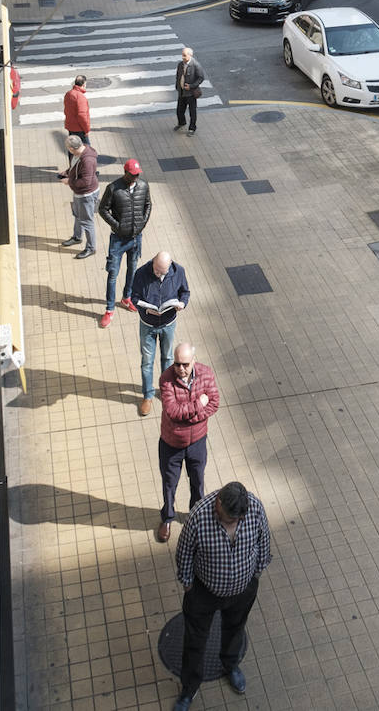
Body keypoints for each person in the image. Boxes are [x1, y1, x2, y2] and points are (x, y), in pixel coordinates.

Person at [173, 482, 272, 708]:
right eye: (228, 519)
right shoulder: (199, 515)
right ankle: (189, 688)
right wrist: (188, 585)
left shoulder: (254, 508)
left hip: (242, 590)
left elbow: (264, 540)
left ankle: (230, 665)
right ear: (218, 502)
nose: (232, 523)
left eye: (236, 520)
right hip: (203, 593)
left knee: (235, 629)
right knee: (195, 640)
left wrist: (256, 573)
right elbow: (185, 552)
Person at [155, 343, 218, 543]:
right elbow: (173, 412)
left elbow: (215, 402)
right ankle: (167, 518)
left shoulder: (206, 374)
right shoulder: (166, 379)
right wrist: (199, 404)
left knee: (198, 482)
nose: (180, 369)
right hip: (171, 443)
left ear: (193, 361)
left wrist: (190, 416)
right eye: (177, 364)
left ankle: (196, 517)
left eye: (185, 364)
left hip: (197, 442)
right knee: (169, 484)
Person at [131, 251, 190, 416]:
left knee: (168, 358)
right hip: (148, 324)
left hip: (168, 324)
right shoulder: (142, 273)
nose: (158, 274)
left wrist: (182, 304)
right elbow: (134, 296)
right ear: (153, 263)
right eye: (156, 270)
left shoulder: (179, 272)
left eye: (161, 272)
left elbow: (185, 293)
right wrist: (146, 307)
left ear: (169, 267)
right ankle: (148, 396)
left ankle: (166, 392)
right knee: (147, 362)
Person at [96, 159, 151, 329]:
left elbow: (148, 205)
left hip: (136, 238)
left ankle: (127, 298)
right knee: (113, 274)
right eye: (133, 174)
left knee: (132, 270)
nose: (136, 177)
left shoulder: (143, 185)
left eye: (137, 174)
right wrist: (117, 225)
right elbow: (102, 209)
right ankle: (109, 309)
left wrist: (142, 223)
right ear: (125, 172)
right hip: (118, 240)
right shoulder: (113, 188)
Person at [58, 135, 99, 259]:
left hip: (86, 194)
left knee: (87, 221)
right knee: (77, 215)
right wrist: (67, 172)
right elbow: (75, 168)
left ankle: (91, 248)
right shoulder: (79, 153)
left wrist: (69, 181)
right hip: (79, 193)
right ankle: (77, 237)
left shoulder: (87, 160)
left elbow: (85, 182)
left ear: (71, 148)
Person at [174, 47, 206, 136]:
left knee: (192, 112)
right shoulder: (180, 64)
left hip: (191, 93)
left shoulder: (196, 65)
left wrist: (191, 86)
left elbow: (201, 78)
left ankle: (192, 128)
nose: (182, 57)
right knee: (179, 110)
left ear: (190, 55)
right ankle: (182, 122)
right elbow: (178, 76)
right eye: (182, 55)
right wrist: (178, 86)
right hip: (181, 92)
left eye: (184, 55)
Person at [63, 74, 90, 163]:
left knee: (72, 148)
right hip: (80, 129)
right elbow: (82, 116)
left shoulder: (68, 94)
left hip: (70, 126)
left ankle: (72, 168)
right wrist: (86, 130)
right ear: (83, 84)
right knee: (87, 150)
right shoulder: (80, 97)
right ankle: (88, 169)